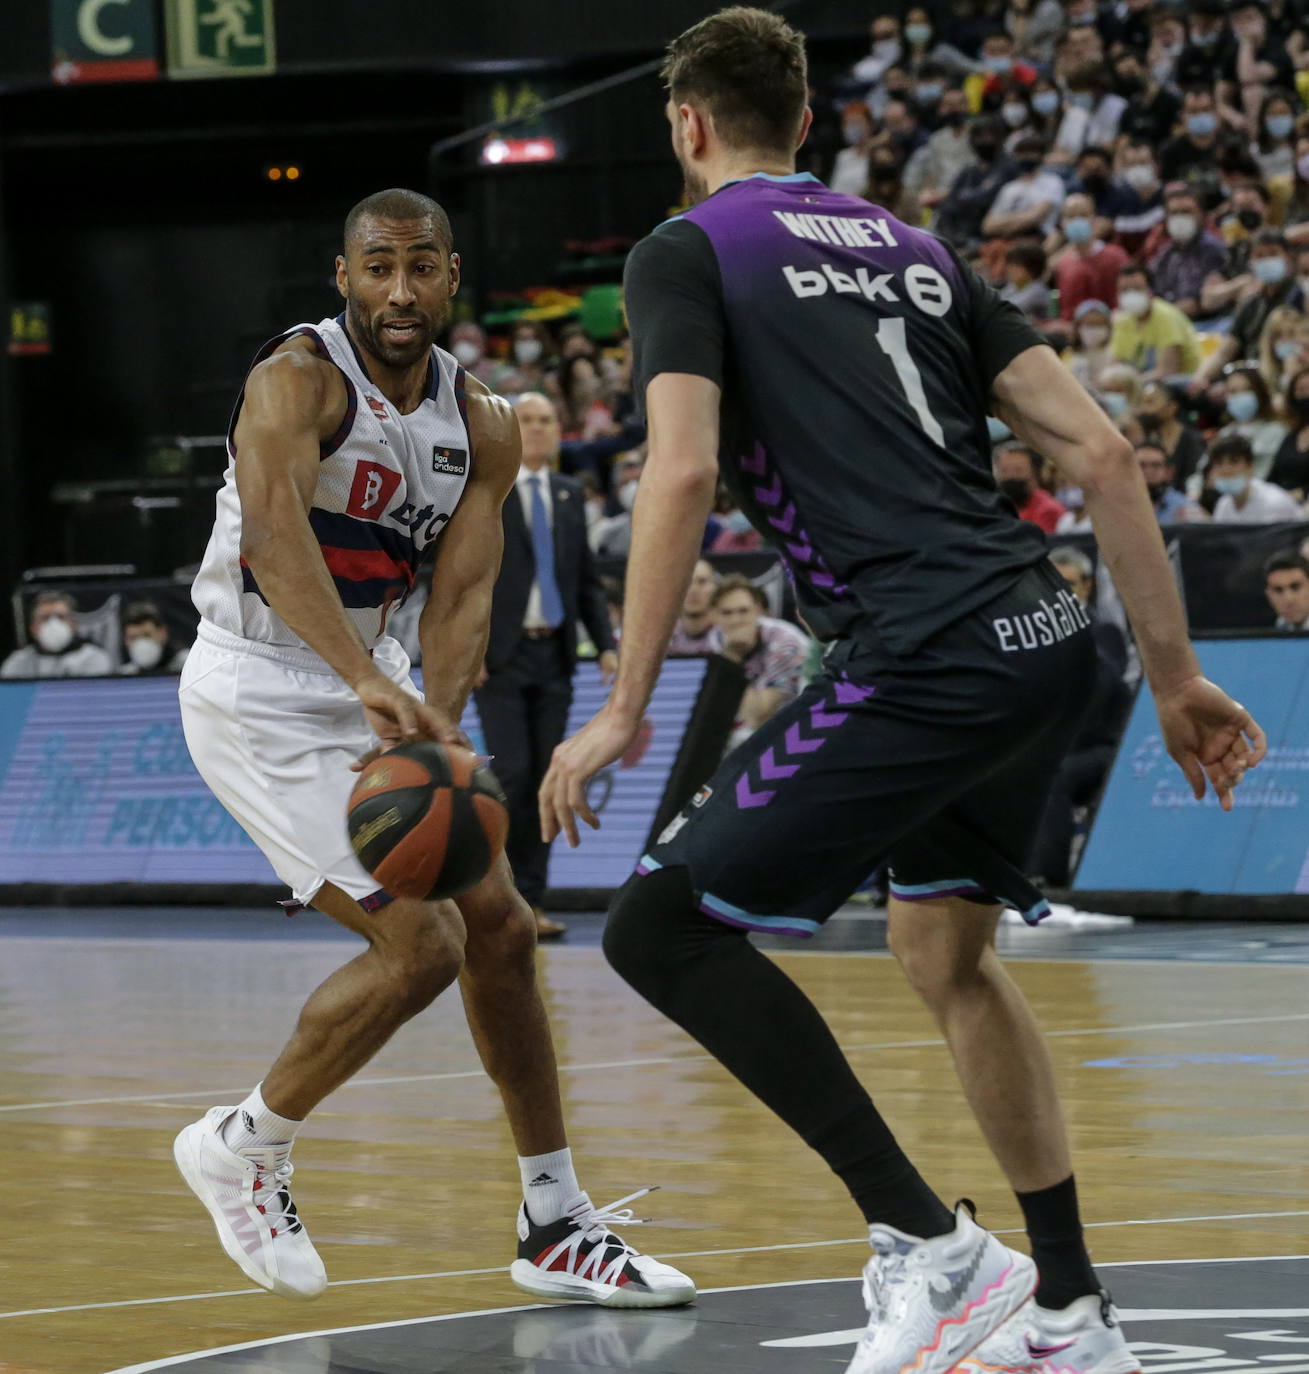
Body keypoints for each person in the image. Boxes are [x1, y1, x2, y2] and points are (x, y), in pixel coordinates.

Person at [539, 12, 1263, 1374]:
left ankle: (933, 1247)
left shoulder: (685, 250)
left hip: (922, 645)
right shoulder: (917, 249)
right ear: (806, 124)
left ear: (688, 125)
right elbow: (1106, 456)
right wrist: (1173, 679)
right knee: (943, 954)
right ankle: (1070, 1311)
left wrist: (625, 706)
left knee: (657, 930)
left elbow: (679, 470)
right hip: (1045, 634)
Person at [174, 188, 692, 1309]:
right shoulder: (297, 380)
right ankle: (242, 1145)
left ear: (453, 275)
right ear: (344, 278)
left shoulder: (484, 422)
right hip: (260, 687)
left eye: (420, 267)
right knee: (422, 947)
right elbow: (273, 540)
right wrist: (365, 678)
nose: (399, 291)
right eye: (378, 268)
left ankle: (555, 1220)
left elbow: (461, 594)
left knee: (501, 928)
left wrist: (441, 720)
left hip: (378, 683)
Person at [476, 391, 619, 941]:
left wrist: (604, 644)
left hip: (555, 654)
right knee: (510, 773)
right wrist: (469, 652)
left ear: (559, 431)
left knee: (546, 779)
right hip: (500, 657)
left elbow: (585, 578)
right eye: (527, 420)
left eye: (546, 420)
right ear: (511, 430)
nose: (537, 428)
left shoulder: (568, 494)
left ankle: (530, 902)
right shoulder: (486, 490)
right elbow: (461, 580)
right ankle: (494, 897)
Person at [1028, 548, 1131, 886]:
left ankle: (1047, 877)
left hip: (1101, 747)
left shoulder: (1104, 632)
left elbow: (1100, 686)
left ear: (1086, 586)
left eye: (1068, 584)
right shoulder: (1033, 633)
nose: (1059, 592)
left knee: (1052, 777)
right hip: (1050, 745)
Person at [711, 574, 811, 749]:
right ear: (714, 616)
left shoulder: (785, 642)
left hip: (793, 733)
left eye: (743, 611)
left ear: (758, 610)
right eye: (727, 613)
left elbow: (757, 718)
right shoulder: (714, 640)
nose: (736, 621)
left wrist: (733, 661)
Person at [1111, 261, 1201, 381]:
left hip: (1180, 382)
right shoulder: (1123, 321)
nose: (1130, 294)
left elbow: (1167, 372)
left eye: (1137, 288)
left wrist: (1132, 384)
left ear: (1150, 291)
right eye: (1124, 290)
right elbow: (1116, 366)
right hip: (1142, 382)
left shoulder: (1166, 316)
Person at [0, 591, 114, 680]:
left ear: (73, 624)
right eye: (45, 618)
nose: (53, 624)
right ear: (33, 628)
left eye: (61, 617)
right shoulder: (17, 662)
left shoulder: (94, 658)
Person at [1151, 185, 1227, 319]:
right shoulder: (1165, 253)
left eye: (1186, 212)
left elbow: (1196, 305)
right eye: (1174, 213)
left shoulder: (1213, 248)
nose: (1180, 218)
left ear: (1201, 214)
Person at [1052, 192, 1127, 321]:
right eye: (1071, 216)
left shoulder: (1116, 256)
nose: (1077, 220)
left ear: (1094, 219)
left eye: (1083, 215)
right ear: (1062, 222)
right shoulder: (1063, 264)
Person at [981, 134, 1066, 240]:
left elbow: (1035, 217)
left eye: (1031, 153)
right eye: (1022, 154)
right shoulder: (1009, 188)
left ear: (1041, 156)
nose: (1026, 157)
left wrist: (1004, 223)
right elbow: (987, 226)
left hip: (1039, 239)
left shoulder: (1053, 182)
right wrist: (1022, 217)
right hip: (1007, 241)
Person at [1208, 431, 1305, 521]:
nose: (1226, 470)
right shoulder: (1223, 505)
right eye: (1219, 463)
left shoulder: (1274, 502)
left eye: (1233, 462)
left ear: (1250, 467)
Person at [1214, 364, 1288, 475]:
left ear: (1260, 392)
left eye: (1247, 389)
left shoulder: (1278, 432)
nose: (1241, 396)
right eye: (1233, 391)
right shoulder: (1224, 434)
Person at [994, 442, 1067, 530]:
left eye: (1018, 470)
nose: (1010, 476)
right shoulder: (997, 507)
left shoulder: (1047, 510)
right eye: (1004, 471)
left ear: (1034, 473)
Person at [667, 558, 723, 655]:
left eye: (702, 582)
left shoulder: (728, 635)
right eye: (685, 582)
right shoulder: (663, 638)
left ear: (716, 587)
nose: (693, 590)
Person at [119, 600, 189, 674]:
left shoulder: (187, 664)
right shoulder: (124, 674)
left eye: (147, 635)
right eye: (133, 637)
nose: (141, 644)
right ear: (126, 640)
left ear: (163, 633)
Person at [1269, 365, 1309, 495]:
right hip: (1282, 500)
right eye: (1300, 390)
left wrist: (1303, 492)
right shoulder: (1290, 436)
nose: (1306, 395)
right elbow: (1272, 476)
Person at [1136, 438, 1190, 523]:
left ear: (1169, 472)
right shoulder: (1119, 505)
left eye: (1156, 465)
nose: (1148, 471)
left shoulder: (1183, 507)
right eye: (1141, 465)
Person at [1264, 549, 1309, 629]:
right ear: (1269, 596)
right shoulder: (1279, 626)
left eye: (1296, 587)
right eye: (1278, 590)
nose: (1288, 599)